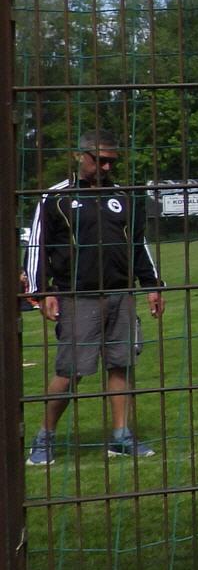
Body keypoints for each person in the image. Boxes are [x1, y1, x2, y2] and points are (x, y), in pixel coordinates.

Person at [25, 130, 166, 463]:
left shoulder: (124, 196)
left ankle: (121, 437)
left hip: (121, 293)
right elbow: (36, 246)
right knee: (70, 371)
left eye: (111, 162)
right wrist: (42, 291)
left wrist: (152, 284)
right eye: (99, 160)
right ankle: (43, 439)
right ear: (79, 156)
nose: (105, 167)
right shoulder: (56, 197)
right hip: (78, 297)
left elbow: (138, 243)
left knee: (121, 365)